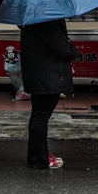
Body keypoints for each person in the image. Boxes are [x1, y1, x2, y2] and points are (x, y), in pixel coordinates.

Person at [20, 18, 77, 169]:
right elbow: (64, 49)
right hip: (48, 75)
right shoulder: (47, 22)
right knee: (41, 116)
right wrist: (72, 48)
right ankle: (39, 158)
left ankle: (38, 156)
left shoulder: (31, 20)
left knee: (38, 115)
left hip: (38, 73)